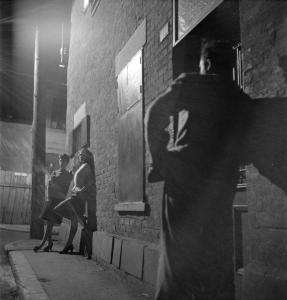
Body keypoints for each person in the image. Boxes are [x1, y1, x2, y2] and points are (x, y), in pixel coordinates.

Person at [145, 39, 252, 299]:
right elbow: (247, 145)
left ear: (208, 63)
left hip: (183, 184)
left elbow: (155, 114)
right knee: (217, 266)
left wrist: (160, 161)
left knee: (176, 265)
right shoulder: (239, 99)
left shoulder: (192, 85)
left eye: (201, 64)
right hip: (219, 191)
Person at [54, 147, 96, 258]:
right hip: (75, 196)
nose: (81, 156)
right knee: (76, 223)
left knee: (59, 209)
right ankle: (69, 246)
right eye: (80, 154)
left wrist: (81, 190)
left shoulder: (86, 166)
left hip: (78, 198)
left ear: (87, 156)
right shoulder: (81, 166)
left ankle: (89, 252)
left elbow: (91, 182)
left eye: (83, 154)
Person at [34, 153, 72, 252]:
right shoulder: (54, 172)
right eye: (60, 160)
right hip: (51, 200)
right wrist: (48, 196)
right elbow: (49, 186)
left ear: (67, 162)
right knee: (47, 222)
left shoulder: (68, 175)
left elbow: (65, 189)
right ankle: (49, 243)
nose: (61, 162)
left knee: (50, 223)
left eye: (63, 160)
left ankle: (42, 244)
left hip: (59, 201)